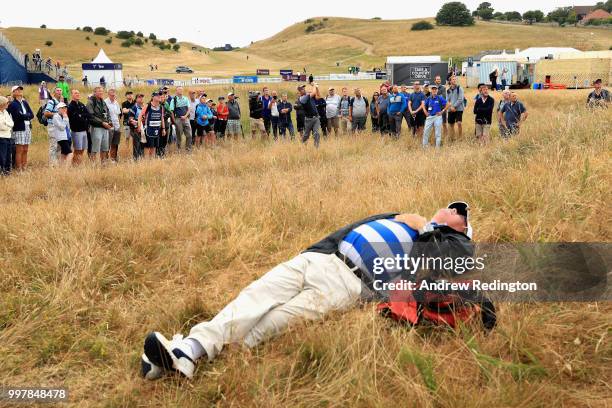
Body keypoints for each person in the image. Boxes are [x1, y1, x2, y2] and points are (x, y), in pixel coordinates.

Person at [140, 202, 472, 380]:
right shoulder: (407, 216)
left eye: (460, 214)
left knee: (275, 322)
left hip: (349, 285)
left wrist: (434, 231)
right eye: (453, 207)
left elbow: (458, 256)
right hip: (321, 257)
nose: (454, 209)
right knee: (255, 296)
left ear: (460, 230)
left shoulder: (439, 246)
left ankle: (187, 355)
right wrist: (418, 221)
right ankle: (189, 351)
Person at [7, 86, 34, 171]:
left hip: (27, 127)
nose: (19, 91)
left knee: (25, 149)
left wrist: (24, 116)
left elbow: (32, 114)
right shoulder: (13, 104)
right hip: (19, 128)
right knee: (20, 149)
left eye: (20, 89)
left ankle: (24, 167)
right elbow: (17, 117)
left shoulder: (25, 102)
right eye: (17, 90)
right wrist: (26, 116)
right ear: (13, 93)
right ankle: (18, 169)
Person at [87, 86, 113, 163]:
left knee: (105, 148)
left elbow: (108, 113)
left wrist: (109, 122)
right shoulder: (90, 102)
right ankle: (93, 165)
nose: (101, 92)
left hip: (105, 127)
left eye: (102, 91)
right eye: (99, 91)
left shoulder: (103, 102)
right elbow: (90, 116)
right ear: (94, 92)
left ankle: (103, 164)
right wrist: (102, 123)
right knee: (95, 148)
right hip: (96, 127)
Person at [138, 91, 166, 158]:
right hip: (148, 130)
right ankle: (146, 162)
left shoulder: (161, 107)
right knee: (148, 147)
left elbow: (162, 118)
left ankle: (152, 162)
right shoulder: (148, 106)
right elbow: (140, 117)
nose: (159, 96)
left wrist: (163, 129)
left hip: (156, 130)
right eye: (157, 95)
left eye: (160, 95)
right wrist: (139, 127)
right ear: (153, 97)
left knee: (154, 147)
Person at [67, 89, 91, 165]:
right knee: (77, 150)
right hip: (76, 131)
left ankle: (79, 164)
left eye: (78, 93)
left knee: (82, 149)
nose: (78, 94)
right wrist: (82, 116)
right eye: (75, 93)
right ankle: (74, 165)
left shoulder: (81, 104)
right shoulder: (70, 106)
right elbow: (76, 118)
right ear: (72, 95)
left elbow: (88, 115)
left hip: (84, 130)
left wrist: (81, 115)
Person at [43, 87, 64, 166]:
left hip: (59, 126)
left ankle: (57, 164)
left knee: (59, 146)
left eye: (60, 90)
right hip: (53, 126)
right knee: (53, 145)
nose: (59, 92)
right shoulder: (51, 102)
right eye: (57, 90)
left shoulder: (61, 103)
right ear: (54, 93)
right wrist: (57, 115)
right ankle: (52, 165)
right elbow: (46, 113)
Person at [297, 83, 321, 148]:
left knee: (316, 133)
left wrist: (317, 88)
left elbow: (318, 96)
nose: (303, 90)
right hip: (308, 120)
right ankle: (300, 145)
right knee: (306, 135)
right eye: (301, 89)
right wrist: (314, 86)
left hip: (316, 118)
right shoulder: (302, 98)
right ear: (299, 92)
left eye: (303, 88)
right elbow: (313, 93)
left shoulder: (308, 95)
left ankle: (316, 148)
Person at [446, 76, 465, 142]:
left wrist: (454, 106)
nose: (454, 80)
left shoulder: (459, 88)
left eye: (455, 79)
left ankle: (460, 138)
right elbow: (447, 100)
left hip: (459, 109)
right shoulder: (448, 90)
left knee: (459, 123)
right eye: (453, 79)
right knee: (451, 124)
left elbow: (460, 99)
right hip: (450, 109)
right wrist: (450, 107)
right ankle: (453, 138)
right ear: (450, 81)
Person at [105, 89, 122, 162]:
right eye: (112, 95)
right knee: (107, 145)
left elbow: (118, 114)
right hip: (109, 126)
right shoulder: (105, 102)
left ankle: (113, 160)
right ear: (108, 94)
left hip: (117, 126)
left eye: (114, 95)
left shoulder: (116, 103)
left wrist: (119, 125)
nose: (113, 96)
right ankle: (105, 159)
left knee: (115, 144)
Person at [127, 94, 145, 160]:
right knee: (136, 144)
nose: (141, 99)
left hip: (144, 129)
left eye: (142, 97)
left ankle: (142, 158)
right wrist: (136, 125)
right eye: (139, 97)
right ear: (136, 99)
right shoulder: (134, 107)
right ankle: (136, 159)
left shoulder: (145, 107)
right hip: (135, 129)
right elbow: (130, 119)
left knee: (143, 144)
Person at [0, 96, 14, 174]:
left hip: (8, 136)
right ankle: (2, 171)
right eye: (6, 103)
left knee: (9, 155)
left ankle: (7, 171)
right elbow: (1, 126)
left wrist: (6, 124)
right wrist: (7, 125)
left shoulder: (5, 112)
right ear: (2, 104)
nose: (8, 104)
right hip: (1, 137)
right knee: (2, 156)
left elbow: (11, 123)